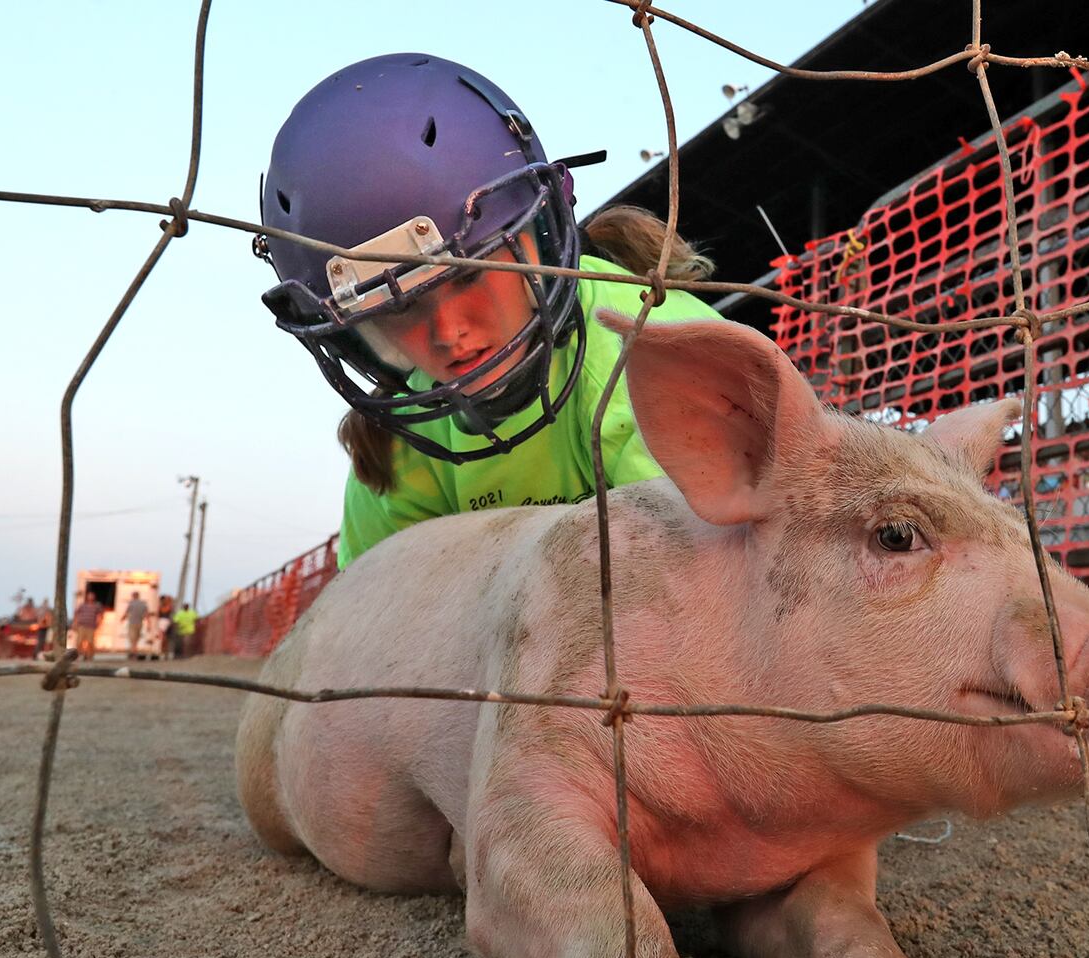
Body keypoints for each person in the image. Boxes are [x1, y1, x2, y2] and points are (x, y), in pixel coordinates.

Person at [256, 54, 721, 571]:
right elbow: (381, 631)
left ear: (543, 237)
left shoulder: (658, 349)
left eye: (471, 274)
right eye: (399, 309)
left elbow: (719, 590)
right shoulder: (406, 444)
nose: (451, 333)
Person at [71, 593, 105, 661]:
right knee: (79, 641)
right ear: (87, 597)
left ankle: (89, 656)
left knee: (90, 642)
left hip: (91, 626)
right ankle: (81, 654)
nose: (90, 597)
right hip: (82, 626)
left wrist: (99, 623)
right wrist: (74, 623)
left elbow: (101, 614)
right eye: (89, 595)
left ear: (94, 597)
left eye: (92, 596)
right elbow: (76, 613)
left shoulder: (96, 606)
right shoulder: (83, 605)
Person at [122, 591, 150, 660]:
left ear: (133, 596)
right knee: (136, 640)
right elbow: (147, 615)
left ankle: (133, 654)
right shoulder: (143, 604)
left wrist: (122, 619)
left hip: (132, 623)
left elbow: (126, 612)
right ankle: (134, 654)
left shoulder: (131, 603)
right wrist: (149, 624)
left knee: (132, 640)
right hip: (139, 623)